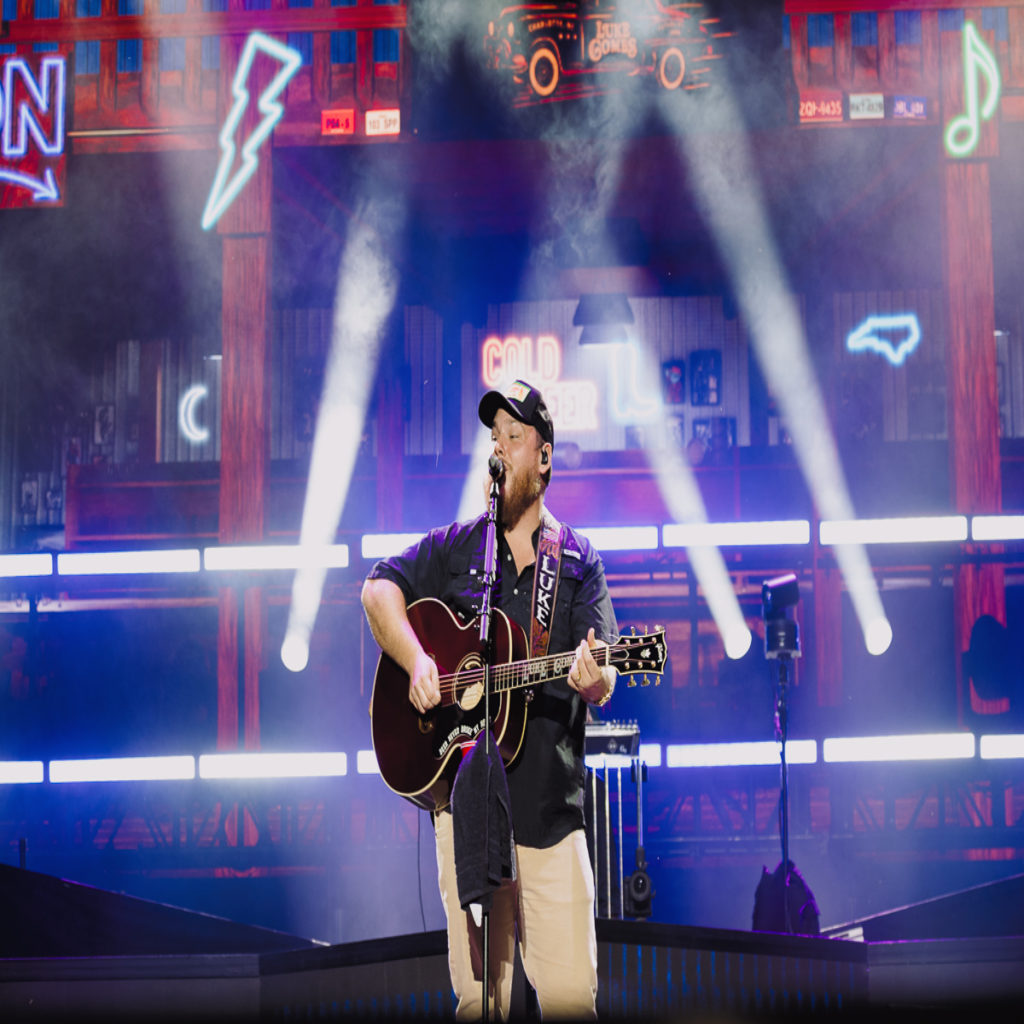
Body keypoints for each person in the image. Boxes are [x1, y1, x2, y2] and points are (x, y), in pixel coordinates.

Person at [361, 379, 618, 1020]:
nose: (498, 448)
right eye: (494, 437)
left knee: (571, 1003)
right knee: (479, 1003)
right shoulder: (458, 548)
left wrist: (593, 678)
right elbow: (377, 590)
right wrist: (417, 661)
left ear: (544, 458)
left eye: (514, 436)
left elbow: (606, 674)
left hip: (550, 818)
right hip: (469, 812)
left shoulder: (578, 560)